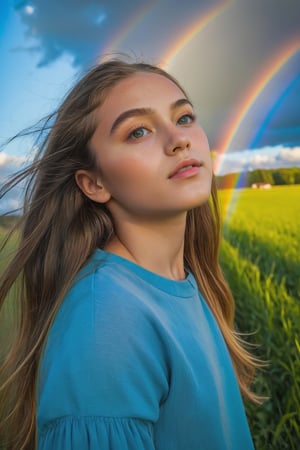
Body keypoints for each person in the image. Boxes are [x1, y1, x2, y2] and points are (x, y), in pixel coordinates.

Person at [0, 59, 260, 450]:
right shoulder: (104, 320)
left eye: (185, 117)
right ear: (94, 183)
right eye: (138, 131)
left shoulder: (183, 280)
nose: (178, 139)